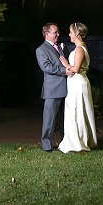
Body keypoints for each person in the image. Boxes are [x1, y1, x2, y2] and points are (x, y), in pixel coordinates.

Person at [57, 22, 98, 152]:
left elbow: (75, 68)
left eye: (70, 32)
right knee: (76, 110)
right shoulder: (80, 47)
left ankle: (78, 143)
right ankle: (77, 140)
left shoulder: (80, 49)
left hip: (78, 83)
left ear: (77, 34)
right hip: (76, 82)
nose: (69, 34)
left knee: (77, 111)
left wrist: (65, 64)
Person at [36, 23, 72, 152]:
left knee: (66, 119)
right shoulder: (41, 49)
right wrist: (64, 71)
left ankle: (66, 143)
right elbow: (46, 67)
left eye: (57, 32)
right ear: (47, 34)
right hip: (53, 89)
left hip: (66, 88)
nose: (58, 34)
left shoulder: (60, 47)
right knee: (49, 119)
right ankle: (47, 146)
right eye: (55, 32)